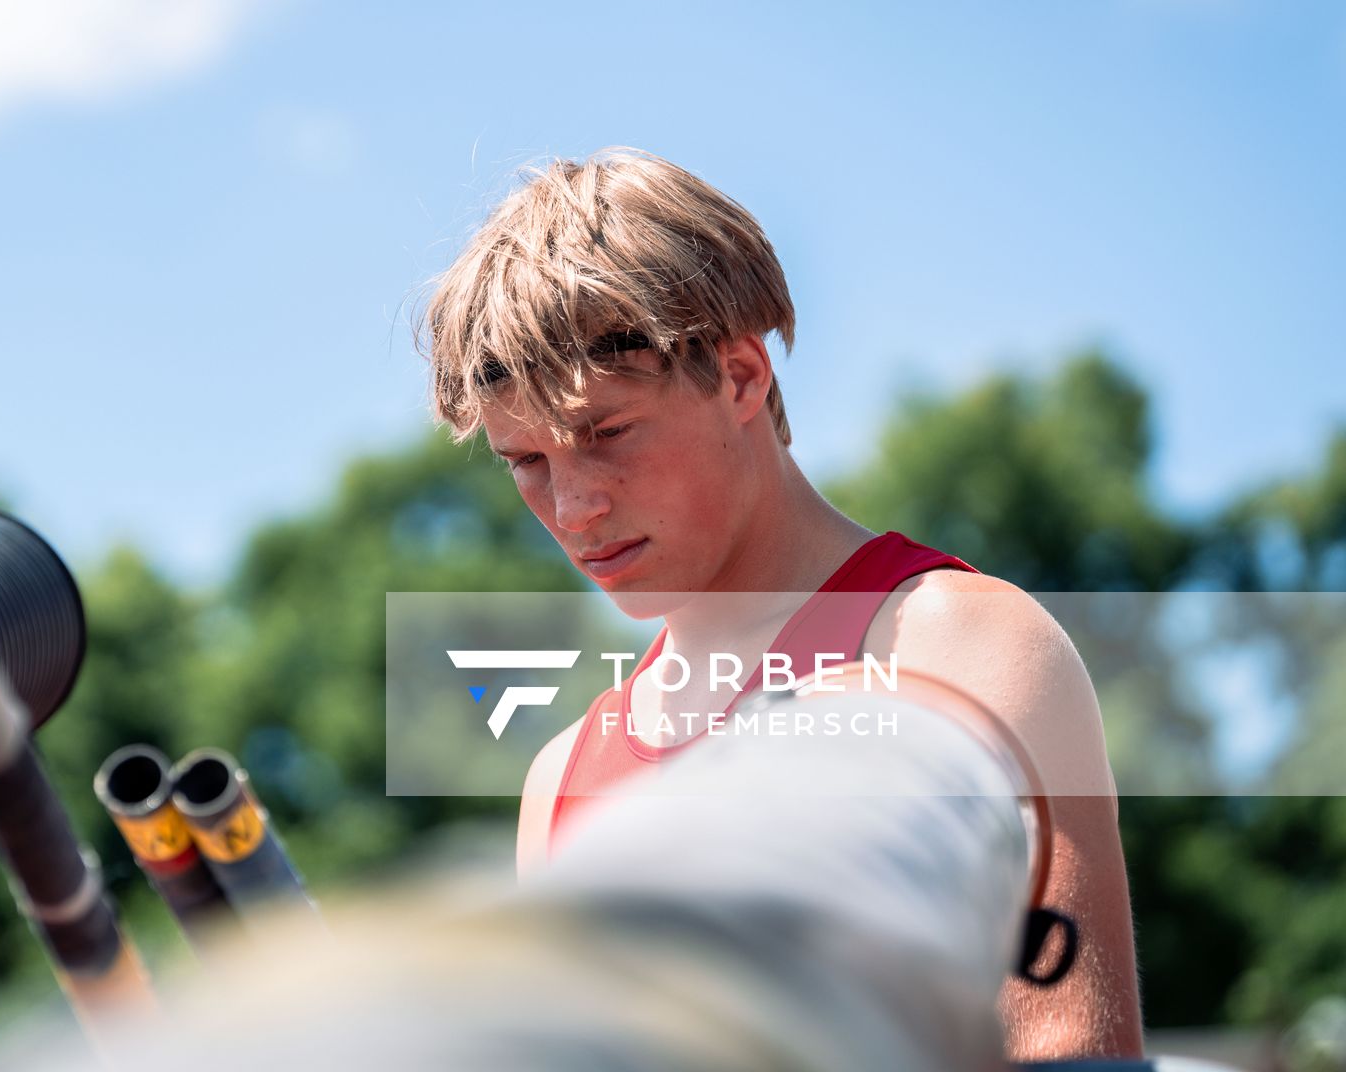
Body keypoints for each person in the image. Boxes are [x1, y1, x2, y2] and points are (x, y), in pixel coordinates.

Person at [417, 148, 1144, 1063]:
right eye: (527, 462)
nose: (572, 507)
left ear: (741, 377)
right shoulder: (557, 782)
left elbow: (1068, 1047)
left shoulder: (955, 648)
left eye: (606, 435)